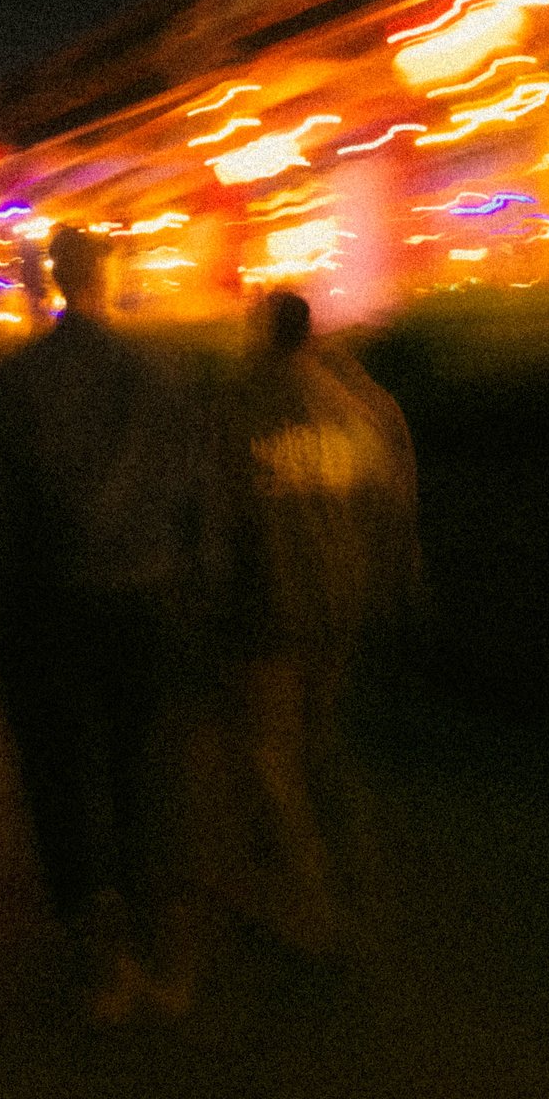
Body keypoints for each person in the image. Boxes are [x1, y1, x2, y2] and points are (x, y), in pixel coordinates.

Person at [0, 225, 210, 1026]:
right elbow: (194, 493)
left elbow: (3, 510)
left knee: (64, 772)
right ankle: (166, 944)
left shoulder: (19, 380)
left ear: (51, 280)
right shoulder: (162, 373)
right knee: (148, 765)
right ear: (106, 280)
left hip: (55, 605)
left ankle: (99, 954)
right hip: (149, 597)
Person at [214, 288, 419, 958]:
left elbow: (221, 518)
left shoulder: (240, 409)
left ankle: (309, 902)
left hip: (271, 610)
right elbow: (386, 500)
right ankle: (356, 875)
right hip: (339, 605)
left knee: (270, 755)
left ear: (263, 335)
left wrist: (207, 605)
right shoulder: (351, 406)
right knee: (320, 741)